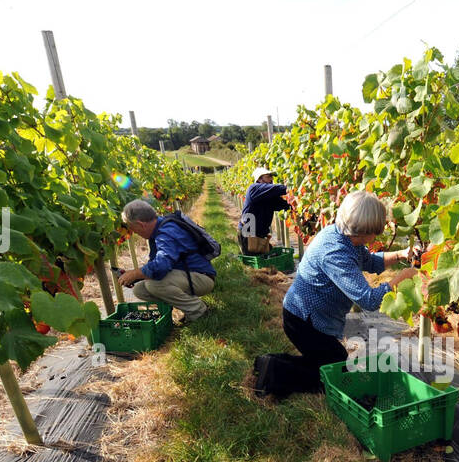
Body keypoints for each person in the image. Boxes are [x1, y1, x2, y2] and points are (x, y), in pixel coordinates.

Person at [254, 190, 419, 398]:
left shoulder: (345, 236)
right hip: (304, 321)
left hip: (308, 317)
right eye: (375, 231)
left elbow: (368, 261)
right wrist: (401, 279)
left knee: (332, 362)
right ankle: (275, 373)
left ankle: (270, 363)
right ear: (363, 230)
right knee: (335, 376)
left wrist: (400, 255)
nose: (377, 235)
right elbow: (368, 300)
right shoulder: (336, 253)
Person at [117, 198, 217, 323]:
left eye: (135, 230)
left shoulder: (166, 232)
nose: (136, 233)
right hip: (187, 276)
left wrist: (136, 273)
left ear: (141, 224)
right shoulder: (158, 230)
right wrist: (134, 276)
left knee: (154, 284)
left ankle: (199, 311)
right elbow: (156, 264)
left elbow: (161, 265)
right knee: (140, 289)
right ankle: (182, 309)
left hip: (202, 278)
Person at [239, 167, 290, 255]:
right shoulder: (254, 189)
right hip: (248, 233)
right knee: (254, 260)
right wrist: (291, 189)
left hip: (260, 234)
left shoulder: (269, 196)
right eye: (268, 176)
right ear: (259, 179)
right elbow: (276, 189)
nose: (271, 179)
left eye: (271, 176)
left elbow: (284, 204)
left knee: (264, 260)